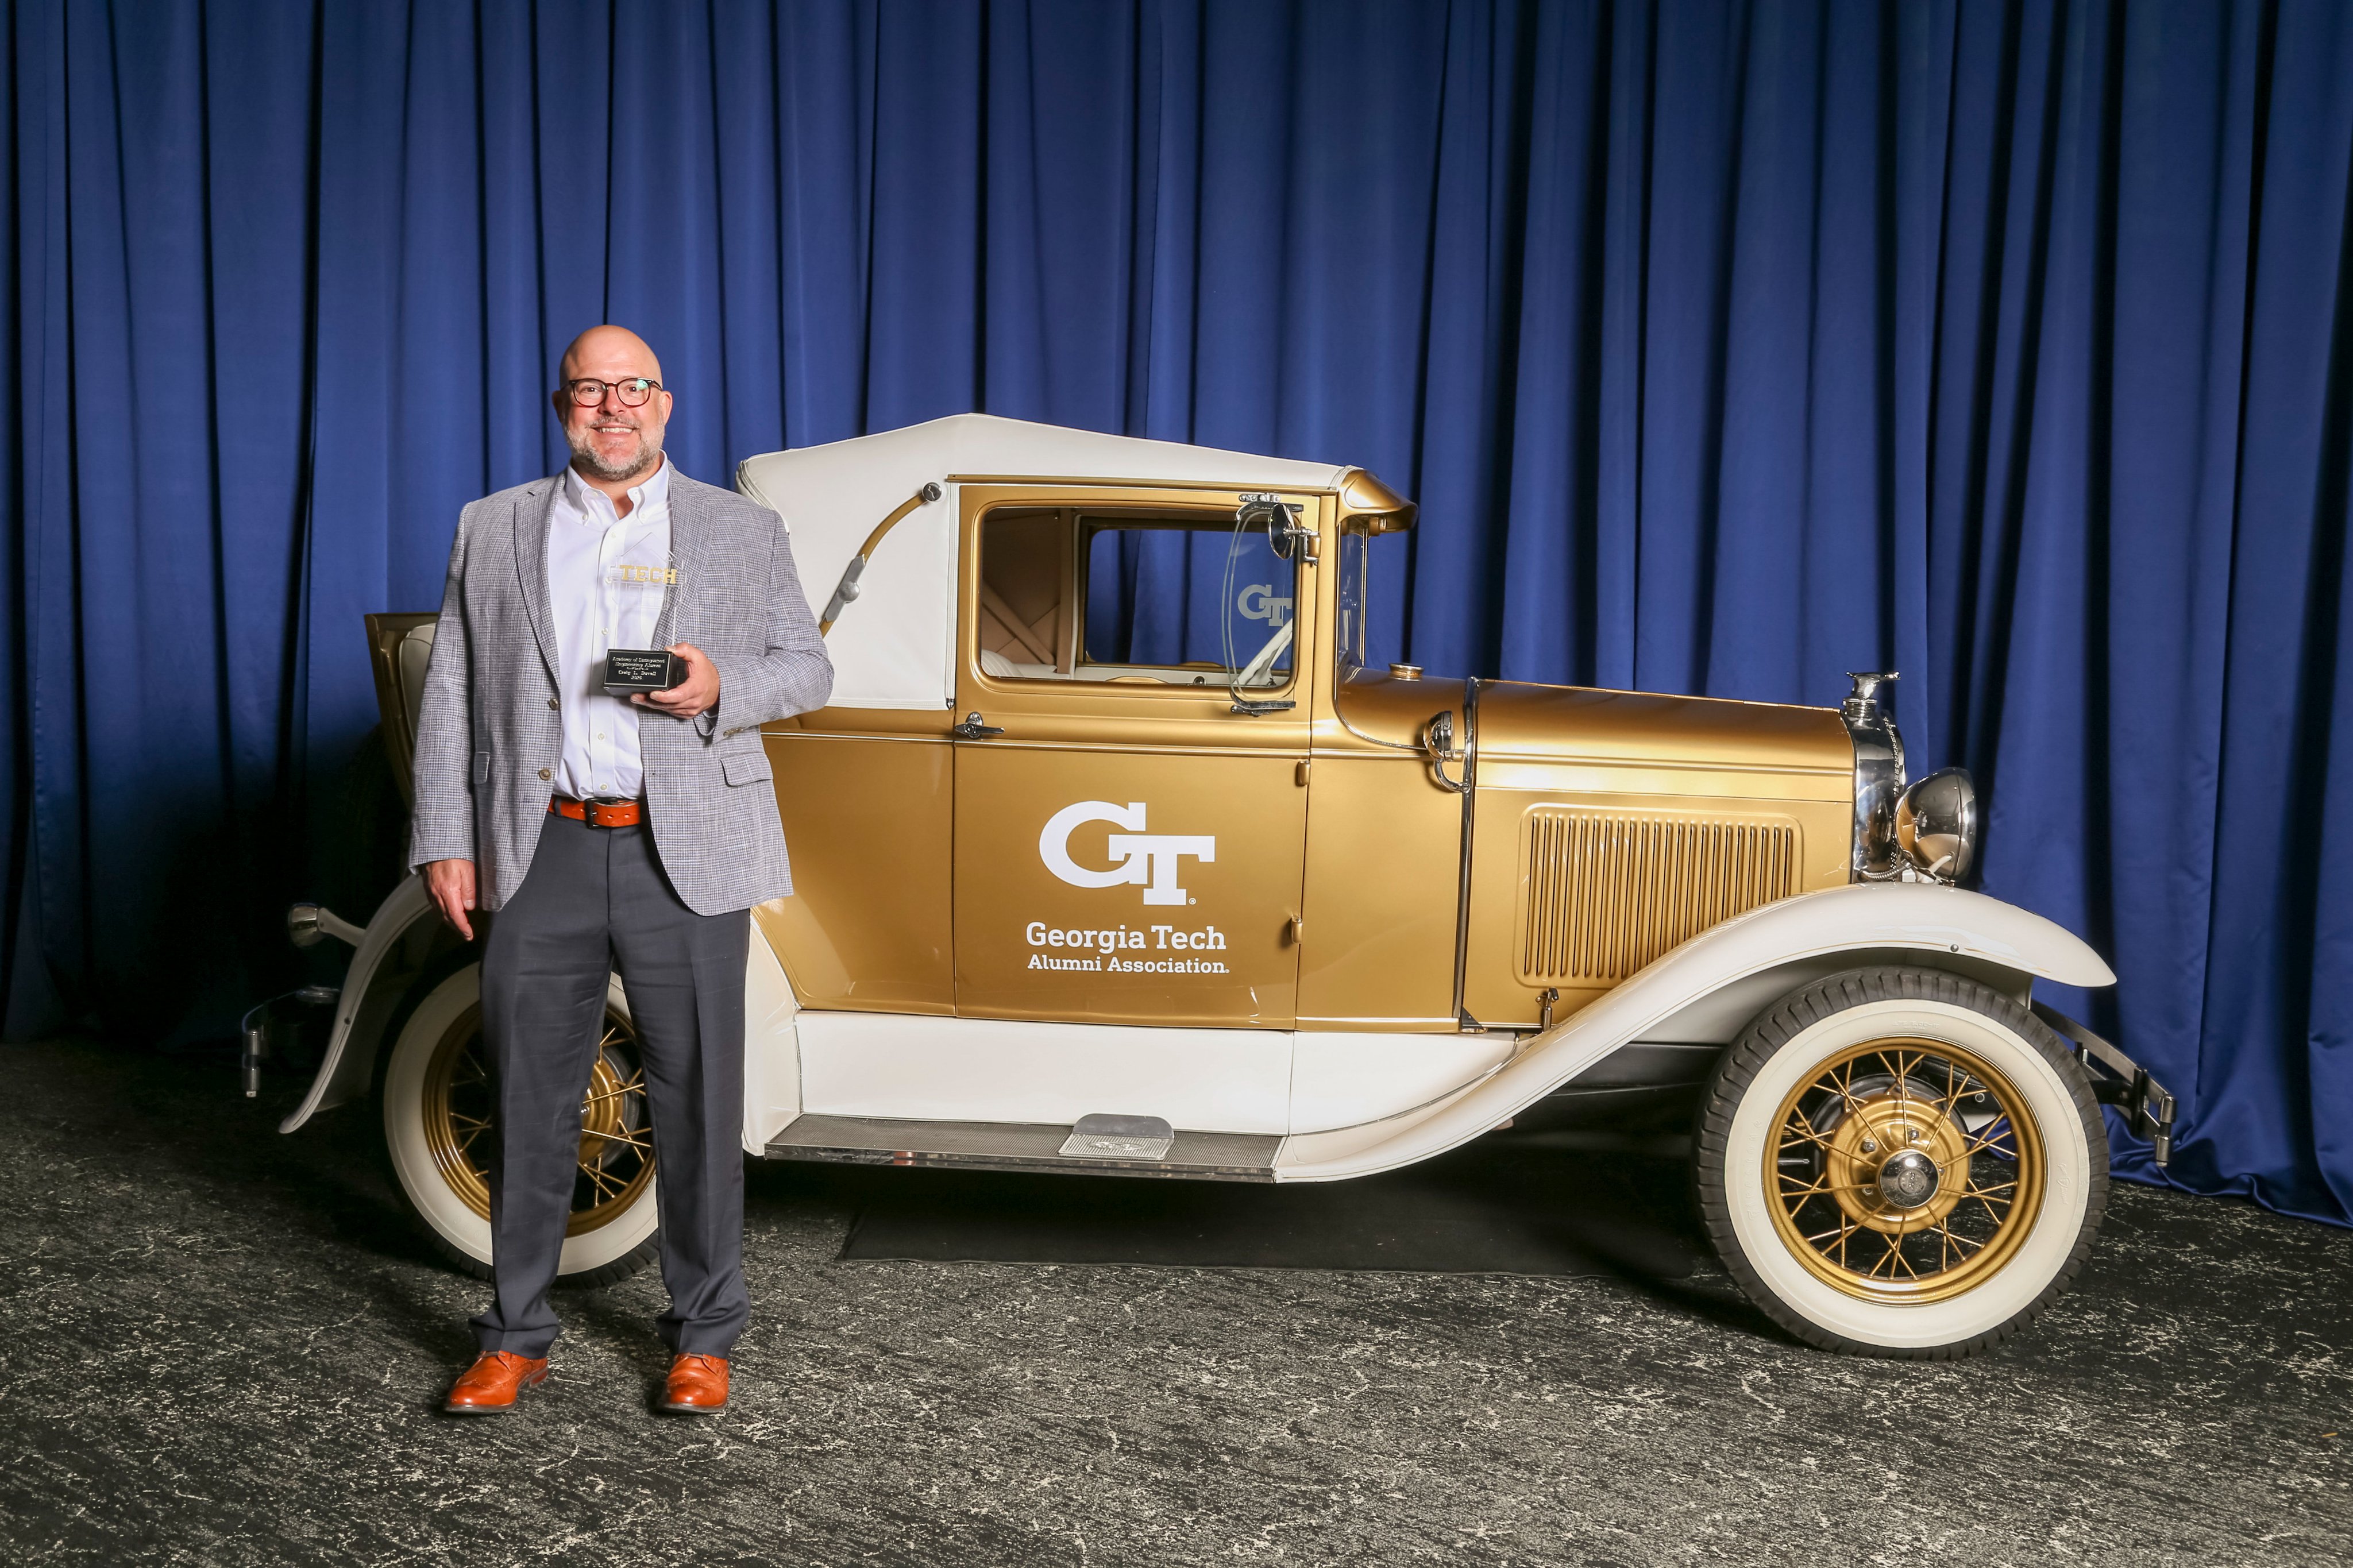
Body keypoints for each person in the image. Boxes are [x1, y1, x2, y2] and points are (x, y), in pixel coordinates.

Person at [408, 325, 831, 1416]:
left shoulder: (743, 529)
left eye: (632, 388)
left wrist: (716, 685)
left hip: (683, 849)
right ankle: (514, 1332)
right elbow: (453, 683)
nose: (613, 407)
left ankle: (703, 1336)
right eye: (591, 390)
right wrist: (443, 835)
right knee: (531, 1095)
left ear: (666, 402)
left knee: (697, 1102)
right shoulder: (493, 525)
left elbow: (811, 665)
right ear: (564, 408)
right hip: (538, 841)